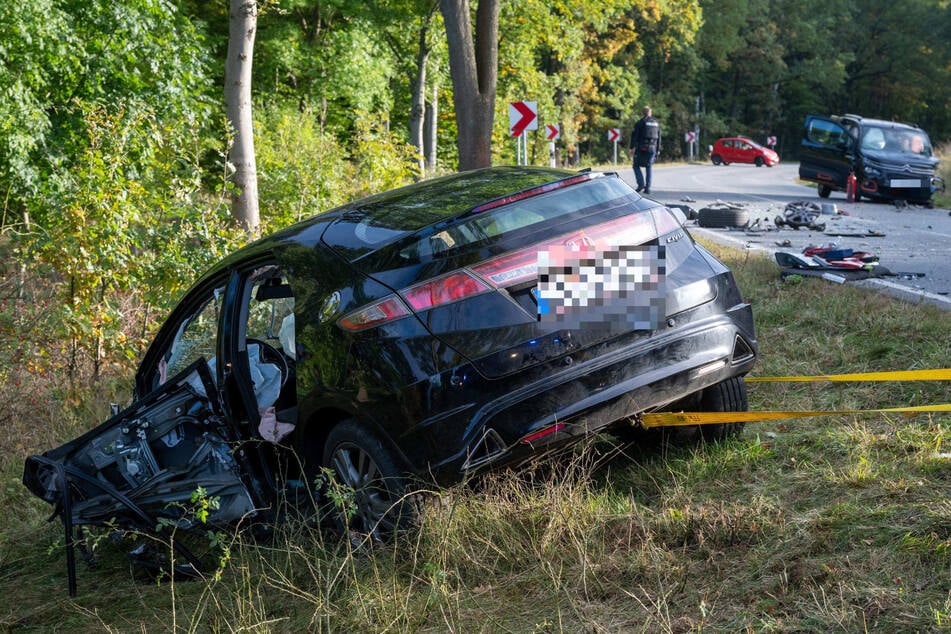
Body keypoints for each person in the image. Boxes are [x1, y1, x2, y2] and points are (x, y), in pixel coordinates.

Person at [629, 106, 661, 194]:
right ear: (650, 113)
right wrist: (657, 150)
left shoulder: (640, 122)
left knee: (636, 165)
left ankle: (640, 184)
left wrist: (631, 148)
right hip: (652, 148)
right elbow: (659, 138)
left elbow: (634, 136)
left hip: (641, 147)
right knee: (649, 166)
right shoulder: (656, 123)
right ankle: (648, 188)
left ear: (642, 113)